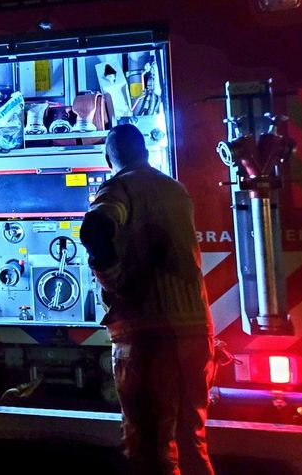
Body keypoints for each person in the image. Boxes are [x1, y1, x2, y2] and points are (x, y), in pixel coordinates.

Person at [80, 124, 215, 475]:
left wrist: (112, 280)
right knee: (191, 441)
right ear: (146, 153)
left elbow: (96, 228)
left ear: (109, 158)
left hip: (146, 335)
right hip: (195, 333)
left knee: (149, 450)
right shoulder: (176, 190)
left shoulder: (119, 187)